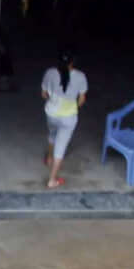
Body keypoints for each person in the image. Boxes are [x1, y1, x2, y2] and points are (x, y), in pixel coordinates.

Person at [41, 60, 89, 189]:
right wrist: (73, 107)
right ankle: (52, 180)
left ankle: (49, 158)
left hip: (51, 113)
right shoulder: (80, 76)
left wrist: (54, 101)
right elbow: (82, 99)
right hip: (68, 117)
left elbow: (44, 94)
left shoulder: (50, 72)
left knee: (52, 134)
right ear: (73, 61)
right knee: (61, 147)